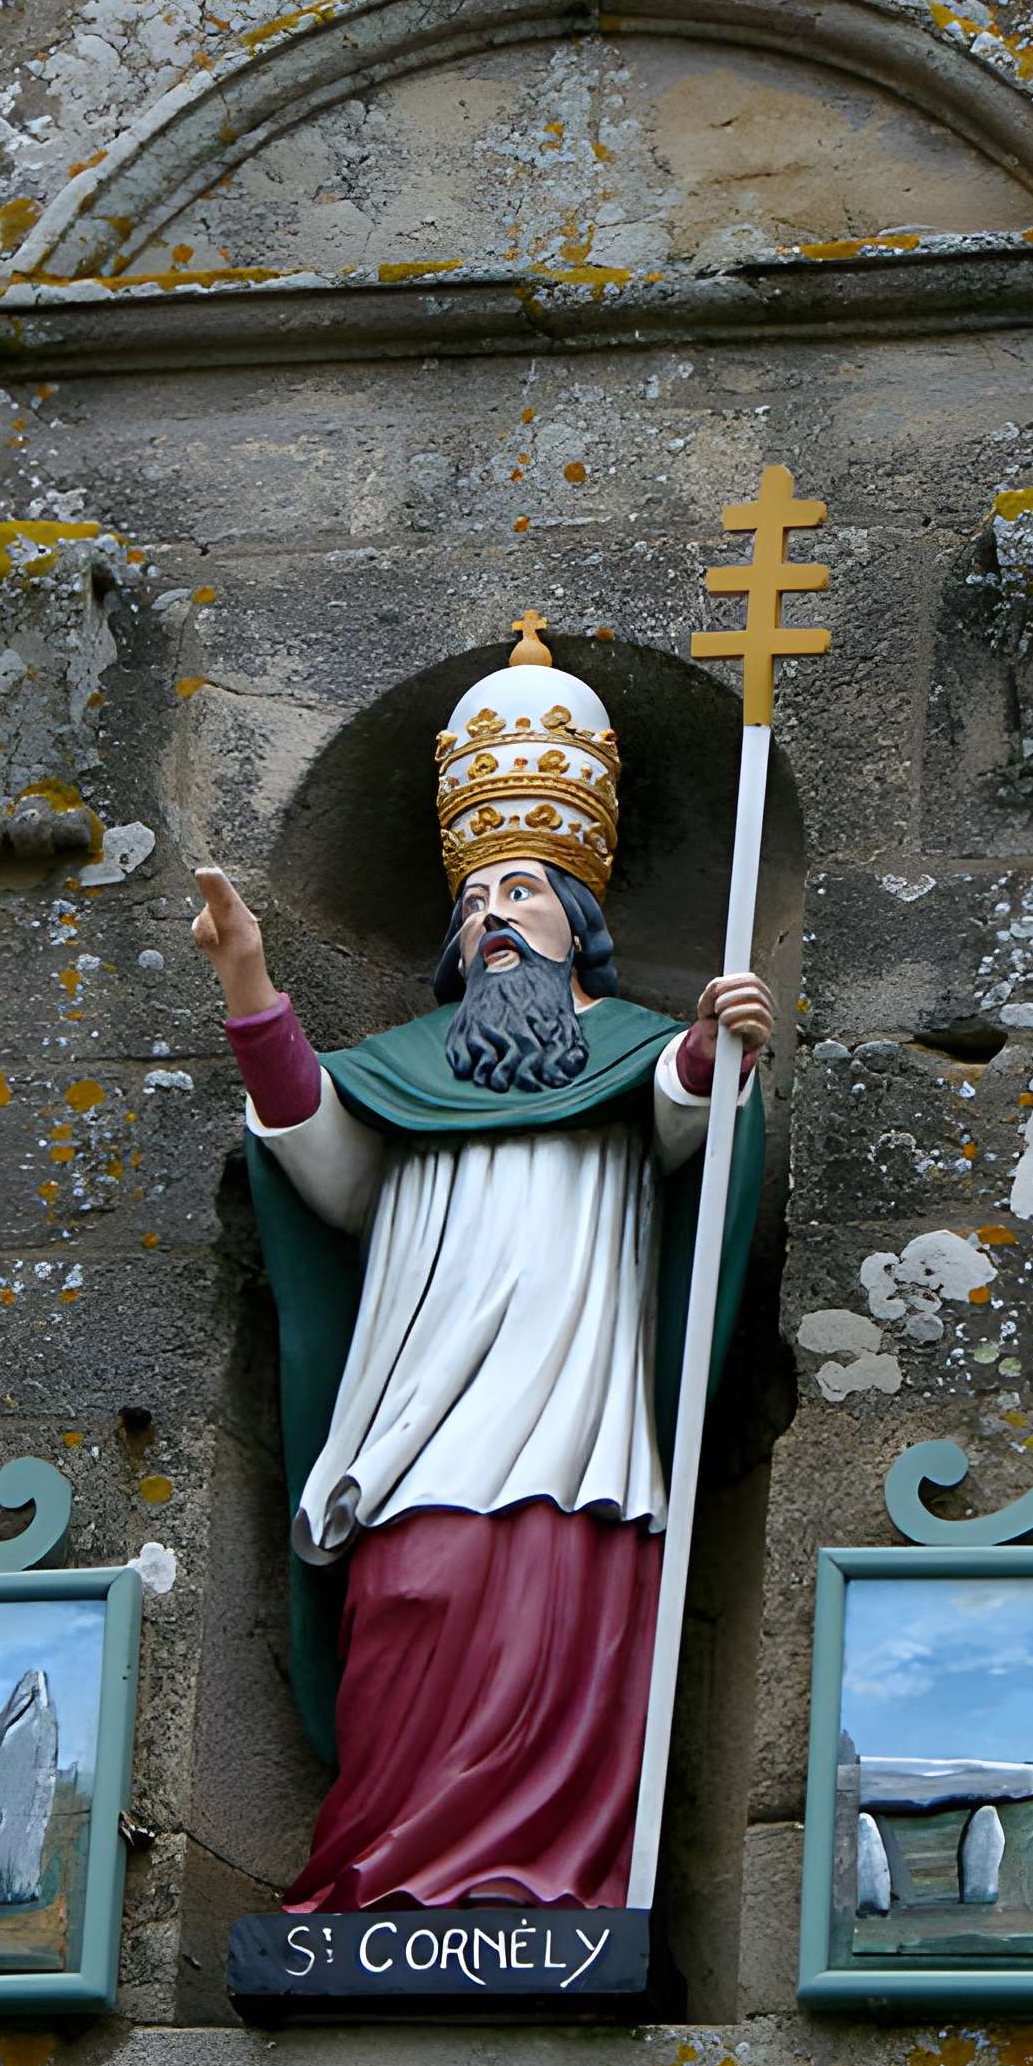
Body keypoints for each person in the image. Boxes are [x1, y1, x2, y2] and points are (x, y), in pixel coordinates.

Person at [190, 619, 771, 1910]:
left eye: (521, 896)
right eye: (475, 903)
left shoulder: (628, 1051)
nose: (495, 918)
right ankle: (386, 1873)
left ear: (576, 922)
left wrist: (716, 1046)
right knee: (419, 1596)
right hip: (422, 1393)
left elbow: (694, 1126)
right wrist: (252, 994)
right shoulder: (400, 1073)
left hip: (575, 1400)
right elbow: (324, 1169)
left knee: (559, 1619)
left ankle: (550, 1888)